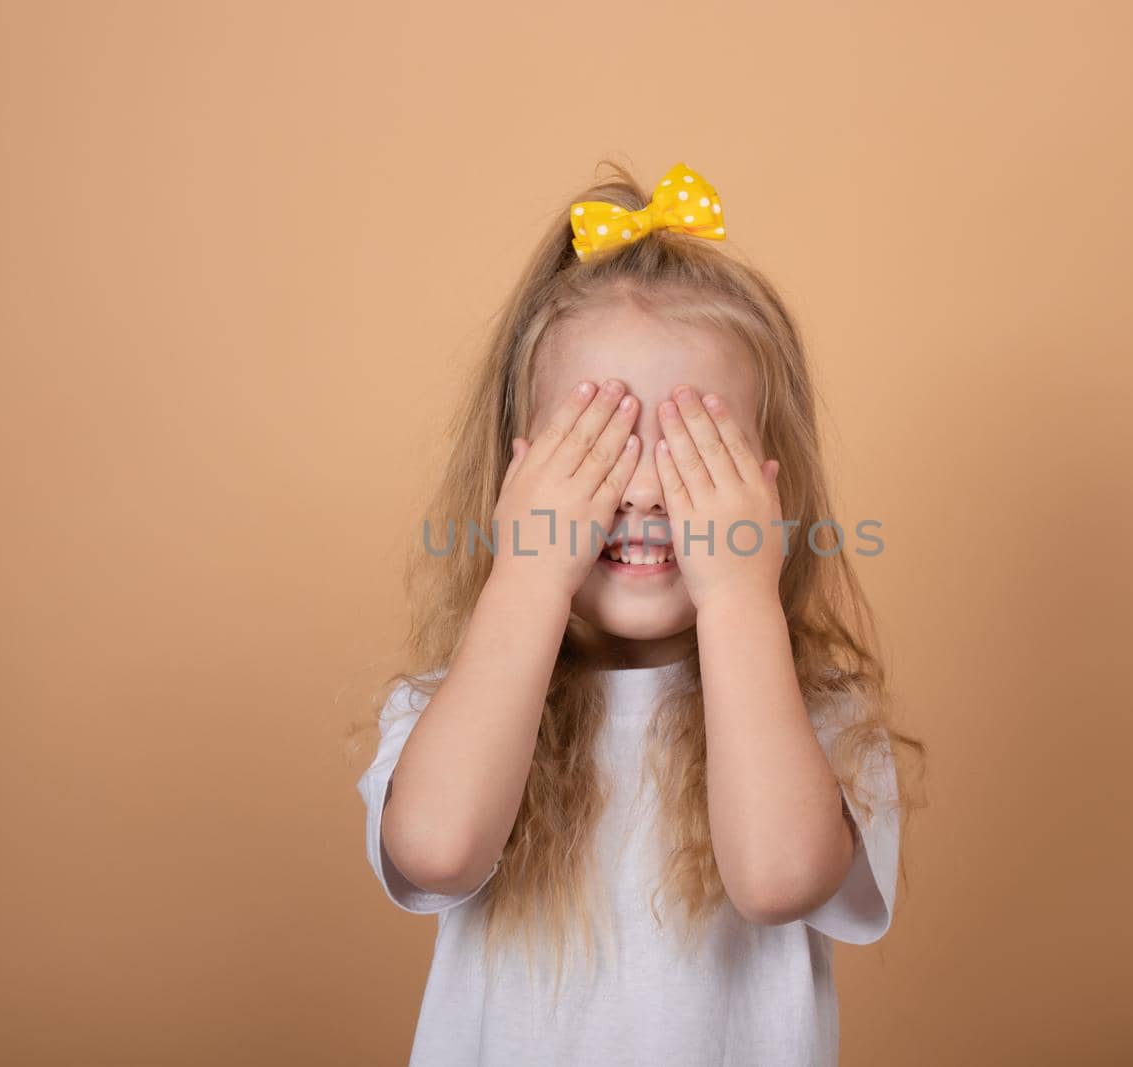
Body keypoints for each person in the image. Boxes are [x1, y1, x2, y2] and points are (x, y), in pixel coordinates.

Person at [356, 160, 924, 1065]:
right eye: (604, 444)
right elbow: (437, 848)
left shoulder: (819, 720)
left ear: (773, 484)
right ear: (516, 474)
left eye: (700, 448)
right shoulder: (449, 707)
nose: (652, 488)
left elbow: (777, 877)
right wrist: (529, 577)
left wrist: (737, 593)